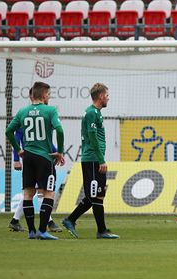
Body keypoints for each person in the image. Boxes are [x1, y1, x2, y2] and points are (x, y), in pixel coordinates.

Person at [5, 81, 65, 240]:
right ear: (44, 95)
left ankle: (32, 232)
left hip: (28, 158)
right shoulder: (50, 110)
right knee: (49, 193)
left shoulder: (22, 111)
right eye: (49, 94)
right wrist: (59, 151)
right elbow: (59, 130)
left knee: (28, 193)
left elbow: (9, 131)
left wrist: (18, 150)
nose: (49, 97)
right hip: (44, 158)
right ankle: (42, 230)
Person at [62, 83, 119, 239]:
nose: (108, 98)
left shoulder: (96, 113)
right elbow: (92, 137)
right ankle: (99, 230)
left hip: (95, 159)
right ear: (101, 96)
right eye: (107, 95)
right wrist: (101, 160)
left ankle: (73, 220)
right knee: (95, 195)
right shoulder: (91, 113)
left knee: (97, 195)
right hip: (93, 159)